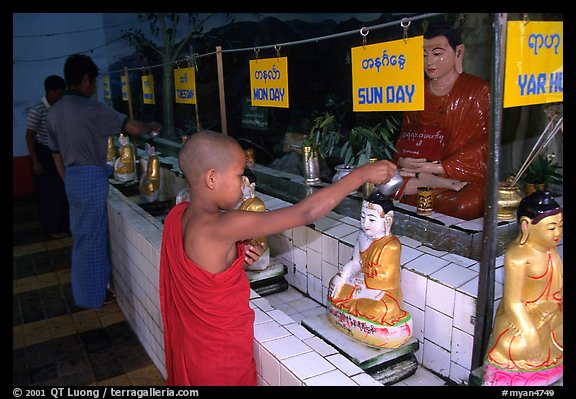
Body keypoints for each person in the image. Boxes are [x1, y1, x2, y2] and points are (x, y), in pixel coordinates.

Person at [159, 130, 397, 386]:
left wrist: (237, 255)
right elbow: (305, 213)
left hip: (193, 350)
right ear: (212, 178)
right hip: (220, 360)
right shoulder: (220, 225)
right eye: (239, 175)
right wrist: (361, 175)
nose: (243, 185)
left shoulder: (180, 216)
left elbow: (205, 265)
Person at [46, 54, 162, 309]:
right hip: (90, 176)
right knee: (94, 239)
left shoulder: (53, 113)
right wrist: (152, 126)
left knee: (82, 236)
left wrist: (68, 180)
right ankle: (94, 296)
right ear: (86, 79)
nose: (94, 88)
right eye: (93, 82)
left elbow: (55, 155)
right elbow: (130, 127)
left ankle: (86, 291)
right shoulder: (92, 109)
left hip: (71, 178)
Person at [393, 20, 491, 220]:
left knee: (467, 205)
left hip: (458, 175)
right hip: (415, 173)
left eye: (437, 54)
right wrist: (403, 159)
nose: (430, 62)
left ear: (458, 53)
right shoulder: (415, 91)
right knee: (383, 185)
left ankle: (429, 182)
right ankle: (425, 182)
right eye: (424, 55)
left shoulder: (477, 90)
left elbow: (484, 143)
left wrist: (440, 168)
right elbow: (407, 135)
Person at [483, 190, 563, 386]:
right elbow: (513, 303)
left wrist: (552, 308)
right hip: (520, 317)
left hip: (549, 312)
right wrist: (530, 332)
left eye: (560, 226)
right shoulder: (517, 256)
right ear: (526, 225)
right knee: (517, 346)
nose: (558, 233)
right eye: (551, 228)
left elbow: (557, 290)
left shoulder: (551, 251)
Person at [327, 190, 412, 349]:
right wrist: (341, 277)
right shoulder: (362, 236)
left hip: (383, 293)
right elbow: (356, 262)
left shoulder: (391, 245)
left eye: (372, 219)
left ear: (387, 221)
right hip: (362, 287)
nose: (365, 224)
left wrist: (361, 289)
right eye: (362, 218)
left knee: (384, 310)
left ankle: (352, 311)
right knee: (335, 288)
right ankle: (352, 310)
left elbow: (382, 281)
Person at [25, 75, 69, 238]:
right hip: (43, 154)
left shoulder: (59, 107)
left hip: (58, 153)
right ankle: (52, 229)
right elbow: (29, 136)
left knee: (61, 191)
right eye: (60, 92)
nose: (62, 96)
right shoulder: (37, 110)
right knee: (48, 195)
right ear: (52, 91)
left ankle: (64, 227)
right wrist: (35, 161)